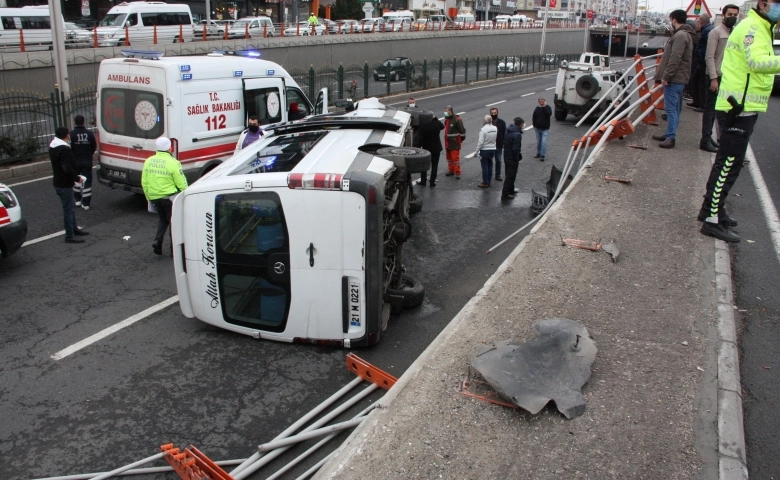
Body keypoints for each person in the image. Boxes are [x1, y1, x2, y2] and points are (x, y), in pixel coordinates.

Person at [698, 0, 780, 242]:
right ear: (763, 3)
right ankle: (711, 220)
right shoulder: (753, 29)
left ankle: (712, 209)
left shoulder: (760, 26)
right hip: (738, 107)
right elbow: (756, 63)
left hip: (741, 105)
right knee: (728, 165)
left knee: (728, 163)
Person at [652, 9, 698, 149]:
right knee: (675, 108)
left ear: (674, 19)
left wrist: (666, 76)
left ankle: (670, 137)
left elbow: (675, 57)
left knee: (671, 109)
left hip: (675, 78)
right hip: (680, 78)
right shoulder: (685, 34)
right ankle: (669, 133)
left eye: (670, 19)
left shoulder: (680, 36)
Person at [699, 4, 740, 153]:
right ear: (723, 15)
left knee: (722, 110)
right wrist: (713, 78)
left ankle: (713, 139)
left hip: (728, 78)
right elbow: (709, 56)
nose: (732, 17)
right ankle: (705, 140)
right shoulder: (715, 33)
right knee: (710, 109)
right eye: (730, 14)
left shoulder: (735, 34)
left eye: (735, 14)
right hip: (715, 76)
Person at [141, 137, 188, 255]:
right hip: (169, 198)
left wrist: (149, 197)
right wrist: (187, 194)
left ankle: (158, 241)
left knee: (163, 219)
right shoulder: (174, 163)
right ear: (170, 148)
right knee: (173, 222)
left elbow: (144, 181)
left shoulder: (148, 161)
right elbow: (181, 183)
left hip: (154, 197)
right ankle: (174, 251)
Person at [49, 127, 88, 243]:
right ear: (67, 135)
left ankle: (74, 229)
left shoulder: (53, 146)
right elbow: (66, 167)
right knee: (68, 209)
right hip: (64, 184)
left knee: (70, 208)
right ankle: (69, 235)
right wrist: (77, 178)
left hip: (58, 182)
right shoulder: (64, 149)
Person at [69, 115, 96, 211]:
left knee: (76, 180)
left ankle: (77, 200)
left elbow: (69, 148)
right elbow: (94, 146)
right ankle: (86, 203)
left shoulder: (71, 134)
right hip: (87, 160)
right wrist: (89, 155)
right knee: (87, 181)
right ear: (84, 122)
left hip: (75, 161)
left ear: (75, 122)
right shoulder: (89, 134)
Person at [688, 14, 713, 110]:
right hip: (701, 59)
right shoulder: (707, 29)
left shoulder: (706, 30)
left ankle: (702, 104)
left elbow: (699, 41)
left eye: (698, 21)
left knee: (702, 83)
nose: (696, 23)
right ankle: (697, 101)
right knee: (695, 80)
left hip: (703, 60)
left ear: (701, 21)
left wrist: (696, 31)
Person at [415, 116, 444, 187]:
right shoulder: (437, 123)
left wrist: (417, 147)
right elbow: (442, 126)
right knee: (434, 166)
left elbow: (420, 139)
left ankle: (423, 181)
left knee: (424, 166)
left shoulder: (423, 126)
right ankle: (432, 182)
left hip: (426, 149)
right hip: (436, 148)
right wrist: (435, 118)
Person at [501, 117, 524, 200]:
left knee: (509, 173)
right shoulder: (517, 134)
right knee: (511, 175)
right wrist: (517, 158)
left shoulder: (508, 130)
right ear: (521, 124)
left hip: (506, 155)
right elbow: (516, 148)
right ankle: (505, 193)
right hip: (512, 158)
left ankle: (511, 189)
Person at [475, 115, 497, 188]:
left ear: (484, 121)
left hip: (485, 150)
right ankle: (489, 181)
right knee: (490, 165)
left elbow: (481, 142)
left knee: (485, 166)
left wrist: (476, 151)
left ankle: (485, 182)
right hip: (493, 149)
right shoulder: (495, 128)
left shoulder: (483, 130)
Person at [443, 106, 465, 179]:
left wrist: (460, 139)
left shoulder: (457, 119)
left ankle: (457, 172)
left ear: (450, 111)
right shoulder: (447, 119)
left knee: (455, 158)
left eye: (446, 111)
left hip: (455, 142)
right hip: (448, 142)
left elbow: (462, 131)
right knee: (449, 158)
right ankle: (451, 170)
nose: (445, 112)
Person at [490, 107, 506, 181]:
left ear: (497, 113)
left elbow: (504, 133)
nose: (493, 114)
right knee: (489, 161)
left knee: (498, 160)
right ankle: (489, 175)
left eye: (495, 113)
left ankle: (498, 175)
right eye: (492, 113)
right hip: (489, 145)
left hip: (498, 144)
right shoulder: (488, 123)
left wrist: (504, 143)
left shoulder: (502, 122)